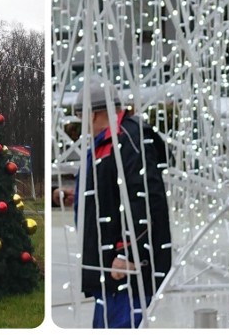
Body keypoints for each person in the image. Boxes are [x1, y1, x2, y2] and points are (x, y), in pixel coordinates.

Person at [72, 77, 172, 328]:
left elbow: (145, 198)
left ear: (93, 115)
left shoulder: (129, 139)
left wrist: (128, 253)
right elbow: (109, 190)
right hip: (110, 271)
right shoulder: (108, 142)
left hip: (126, 272)